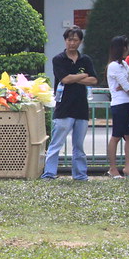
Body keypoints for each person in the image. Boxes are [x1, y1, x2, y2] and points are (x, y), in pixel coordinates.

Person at [42, 27, 96, 181]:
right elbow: (64, 79)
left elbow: (94, 79)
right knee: (56, 143)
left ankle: (80, 175)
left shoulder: (85, 60)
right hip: (64, 107)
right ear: (65, 40)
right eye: (69, 39)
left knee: (78, 145)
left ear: (80, 41)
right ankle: (49, 174)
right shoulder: (58, 59)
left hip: (81, 107)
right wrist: (83, 76)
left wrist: (76, 77)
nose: (72, 43)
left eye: (75, 40)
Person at [105, 35, 129, 179]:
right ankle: (113, 168)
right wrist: (126, 88)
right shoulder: (114, 66)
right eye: (126, 46)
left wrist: (125, 87)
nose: (128, 49)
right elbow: (128, 86)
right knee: (116, 136)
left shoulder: (124, 64)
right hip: (120, 105)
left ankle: (127, 168)